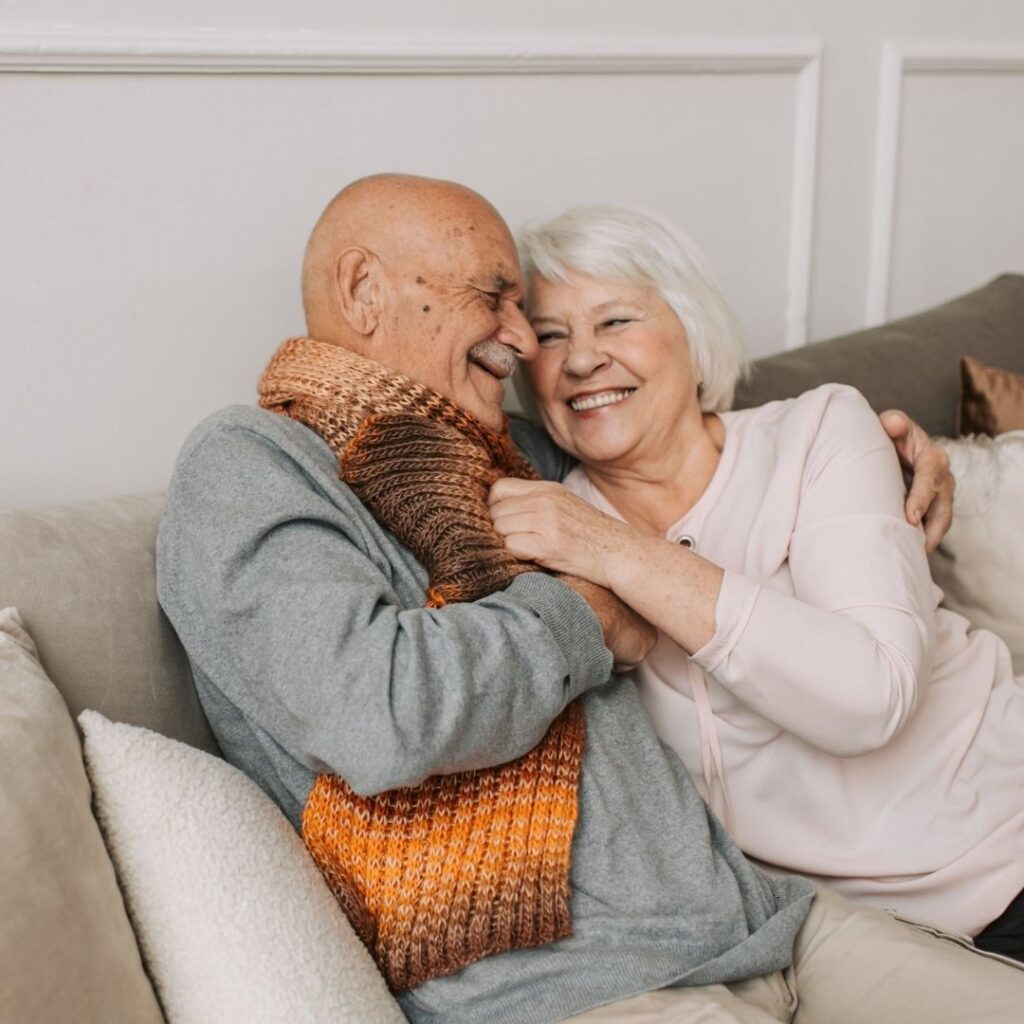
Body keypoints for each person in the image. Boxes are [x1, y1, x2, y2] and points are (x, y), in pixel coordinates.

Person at [157, 174, 1023, 1024]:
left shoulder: (520, 455)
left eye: (526, 310)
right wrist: (593, 618)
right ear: (363, 289)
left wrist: (903, 455)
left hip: (774, 925)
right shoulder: (254, 463)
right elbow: (378, 713)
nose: (527, 345)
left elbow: (681, 427)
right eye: (502, 302)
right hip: (595, 984)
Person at [490, 202, 1024, 964]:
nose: (580, 360)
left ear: (692, 332)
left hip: (1005, 839)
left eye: (614, 322)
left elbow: (872, 697)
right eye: (549, 335)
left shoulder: (819, 433)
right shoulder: (547, 519)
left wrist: (618, 553)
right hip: (843, 942)